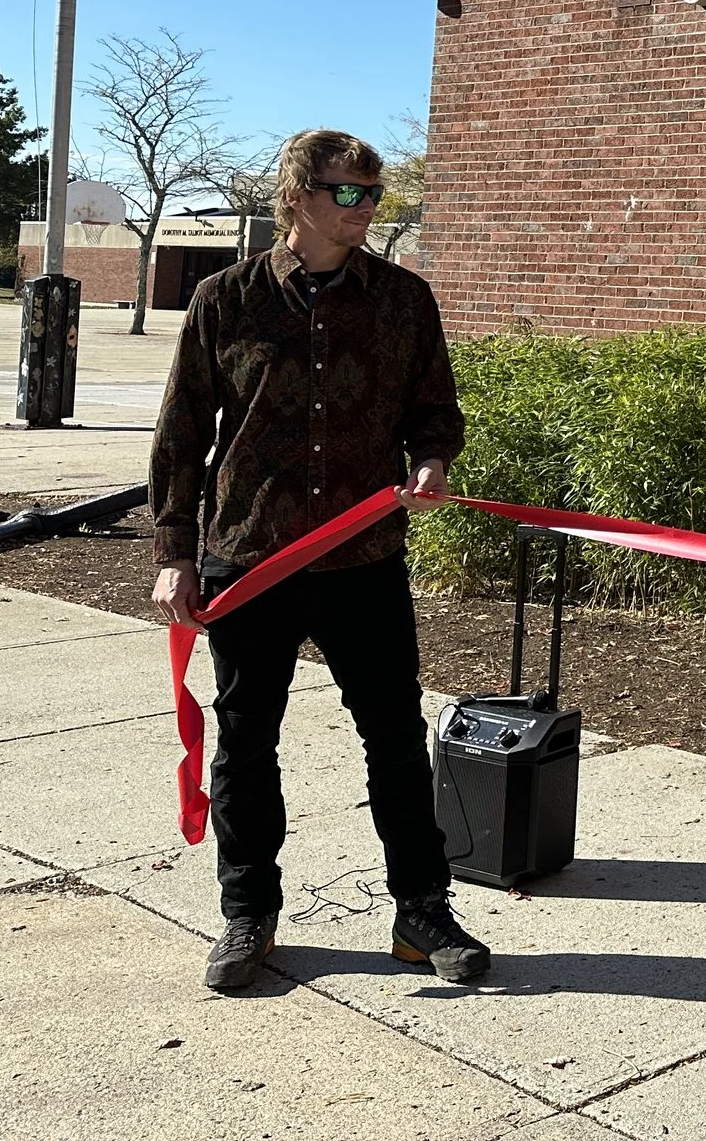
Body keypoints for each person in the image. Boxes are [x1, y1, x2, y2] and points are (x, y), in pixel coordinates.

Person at [150, 129, 491, 993]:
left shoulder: (405, 300)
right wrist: (174, 553)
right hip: (249, 558)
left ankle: (422, 910)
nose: (368, 208)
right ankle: (247, 914)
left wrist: (431, 457)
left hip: (363, 556)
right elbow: (183, 435)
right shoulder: (224, 300)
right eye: (349, 193)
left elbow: (434, 404)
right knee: (246, 742)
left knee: (395, 738)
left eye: (375, 194)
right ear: (298, 196)